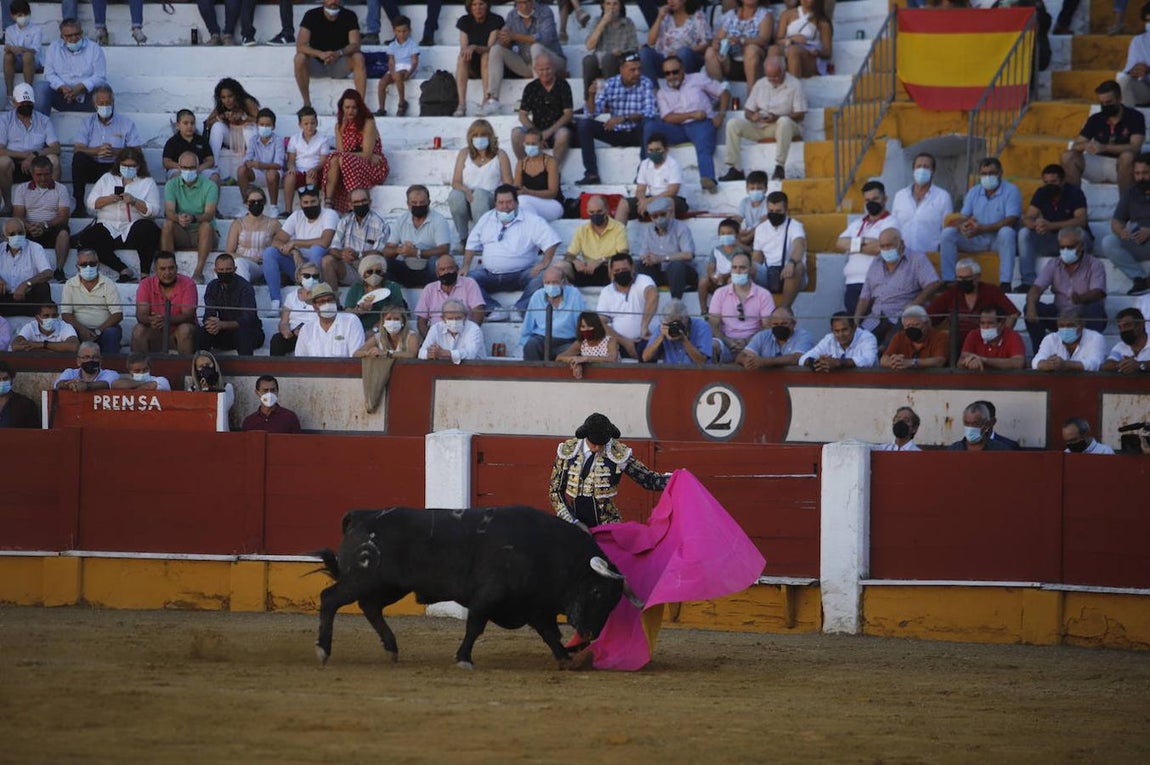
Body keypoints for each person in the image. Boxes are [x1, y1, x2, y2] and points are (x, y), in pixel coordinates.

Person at [548, 412, 669, 529]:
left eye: (602, 444)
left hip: (608, 526)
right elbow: (555, 491)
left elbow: (648, 479)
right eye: (594, 443)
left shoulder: (617, 453)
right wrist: (573, 522)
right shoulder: (568, 451)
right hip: (575, 524)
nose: (598, 448)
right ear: (585, 437)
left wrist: (675, 478)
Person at [462, 184, 561, 321]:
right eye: (501, 202)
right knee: (465, 280)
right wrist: (466, 265)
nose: (505, 206)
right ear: (495, 204)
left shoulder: (531, 219)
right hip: (490, 274)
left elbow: (552, 240)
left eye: (509, 202)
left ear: (516, 202)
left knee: (544, 276)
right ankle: (492, 309)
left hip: (522, 274)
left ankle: (519, 310)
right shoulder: (486, 218)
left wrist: (545, 262)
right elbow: (471, 243)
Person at [75, 147, 161, 284]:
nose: (128, 168)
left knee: (148, 229)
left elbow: (154, 210)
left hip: (133, 227)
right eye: (125, 165)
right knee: (88, 238)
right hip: (109, 226)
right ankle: (122, 269)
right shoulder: (107, 178)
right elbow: (91, 202)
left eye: (132, 166)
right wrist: (109, 199)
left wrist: (135, 201)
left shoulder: (147, 182)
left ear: (139, 166)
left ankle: (144, 273)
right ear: (119, 164)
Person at [643, 58, 730, 193]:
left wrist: (721, 115)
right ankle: (644, 172)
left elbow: (723, 93)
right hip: (677, 128)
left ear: (682, 70)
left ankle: (708, 179)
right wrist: (691, 115)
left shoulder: (698, 79)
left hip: (701, 124)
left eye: (675, 72)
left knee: (703, 143)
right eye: (667, 73)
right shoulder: (662, 92)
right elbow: (667, 117)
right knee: (650, 126)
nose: (671, 76)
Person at [575, 51, 658, 186]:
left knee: (649, 124)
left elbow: (650, 112)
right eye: (632, 69)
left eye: (639, 69)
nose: (637, 73)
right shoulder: (611, 84)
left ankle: (643, 173)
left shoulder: (645, 82)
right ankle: (591, 174)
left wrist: (624, 118)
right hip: (616, 131)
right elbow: (591, 113)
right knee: (585, 124)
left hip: (636, 132)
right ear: (622, 69)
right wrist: (591, 96)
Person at [940, 157, 1021, 292]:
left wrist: (982, 228)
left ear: (1001, 173)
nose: (987, 177)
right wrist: (962, 226)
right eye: (984, 174)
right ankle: (949, 280)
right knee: (948, 233)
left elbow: (1011, 220)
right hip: (977, 238)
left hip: (997, 240)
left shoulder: (1012, 190)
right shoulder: (974, 191)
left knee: (1007, 232)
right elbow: (963, 217)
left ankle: (1005, 282)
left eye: (991, 173)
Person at [720, 56, 805, 183]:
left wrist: (777, 117)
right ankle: (735, 169)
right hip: (761, 126)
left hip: (784, 126)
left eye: (776, 77)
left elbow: (800, 113)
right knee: (733, 123)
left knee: (784, 122)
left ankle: (780, 167)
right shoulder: (760, 83)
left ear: (783, 71)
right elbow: (748, 111)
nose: (772, 81)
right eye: (769, 78)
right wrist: (753, 116)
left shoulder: (794, 84)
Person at [1024, 226, 1107, 350]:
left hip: (1083, 314)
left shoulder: (1095, 264)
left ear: (1080, 246)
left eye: (1070, 247)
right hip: (1059, 314)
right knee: (1031, 308)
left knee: (1095, 310)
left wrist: (1081, 298)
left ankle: (1089, 353)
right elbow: (1037, 287)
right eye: (1062, 247)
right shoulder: (1053, 264)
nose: (1065, 250)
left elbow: (1098, 292)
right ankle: (1040, 353)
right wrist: (1031, 305)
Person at [854, 228, 941, 340]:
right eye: (882, 246)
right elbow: (864, 297)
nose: (886, 249)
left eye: (889, 245)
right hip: (875, 318)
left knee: (891, 344)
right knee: (857, 342)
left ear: (902, 244)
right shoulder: (876, 262)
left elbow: (933, 283)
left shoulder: (917, 259)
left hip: (901, 317)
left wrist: (914, 303)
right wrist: (855, 321)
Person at [262, 184, 339, 311]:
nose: (309, 205)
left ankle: (317, 295)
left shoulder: (329, 214)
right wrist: (294, 251)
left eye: (313, 201)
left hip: (320, 269)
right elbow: (277, 240)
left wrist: (295, 242)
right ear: (301, 204)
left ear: (319, 200)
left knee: (316, 249)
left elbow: (325, 241)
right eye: (306, 202)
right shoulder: (297, 216)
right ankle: (275, 302)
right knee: (270, 253)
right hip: (299, 267)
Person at [483, 0, 566, 115]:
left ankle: (540, 98)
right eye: (520, 3)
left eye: (526, 2)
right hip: (527, 63)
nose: (523, 6)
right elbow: (506, 38)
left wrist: (514, 36)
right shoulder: (512, 15)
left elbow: (545, 38)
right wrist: (503, 37)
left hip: (553, 60)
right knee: (496, 49)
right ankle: (493, 100)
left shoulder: (545, 11)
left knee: (535, 47)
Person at [70, 84, 141, 217]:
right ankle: (79, 205)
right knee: (79, 158)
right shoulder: (88, 123)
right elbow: (77, 148)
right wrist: (96, 150)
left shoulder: (126, 123)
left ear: (113, 102)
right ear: (94, 104)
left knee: (132, 162)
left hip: (115, 167)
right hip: (93, 165)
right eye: (101, 103)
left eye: (107, 102)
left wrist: (115, 152)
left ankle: (126, 207)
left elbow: (137, 150)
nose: (105, 105)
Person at [1017, 163, 1090, 291]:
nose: (1049, 185)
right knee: (1024, 233)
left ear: (1062, 181)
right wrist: (1036, 225)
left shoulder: (1074, 193)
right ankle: (1028, 282)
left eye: (1053, 181)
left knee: (1078, 234)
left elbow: (1081, 220)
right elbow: (1028, 217)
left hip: (1072, 240)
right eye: (1046, 182)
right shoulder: (1041, 192)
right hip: (1051, 240)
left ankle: (1077, 281)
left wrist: (1051, 226)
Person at [1063, 80, 1143, 194]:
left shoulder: (1135, 117)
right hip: (1098, 163)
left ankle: (1125, 207)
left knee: (1127, 157)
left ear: (1119, 98)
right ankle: (1074, 206)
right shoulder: (1096, 119)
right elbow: (1076, 145)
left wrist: (1104, 147)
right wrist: (1086, 145)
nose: (1105, 106)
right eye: (1102, 103)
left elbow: (1135, 147)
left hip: (1123, 165)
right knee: (1068, 156)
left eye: (1109, 102)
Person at [836, 181, 898, 315]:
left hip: (876, 283)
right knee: (856, 328)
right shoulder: (857, 223)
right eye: (867, 200)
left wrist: (853, 245)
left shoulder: (891, 222)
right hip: (852, 284)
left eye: (875, 199)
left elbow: (879, 248)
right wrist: (864, 242)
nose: (871, 202)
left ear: (885, 199)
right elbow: (840, 243)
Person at [322, 89, 388, 214]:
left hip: (374, 166)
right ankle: (328, 202)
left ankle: (356, 201)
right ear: (342, 108)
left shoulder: (368, 123)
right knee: (334, 158)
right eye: (347, 107)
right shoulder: (339, 126)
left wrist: (347, 156)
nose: (350, 111)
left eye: (354, 107)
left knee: (341, 158)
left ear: (360, 108)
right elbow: (340, 152)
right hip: (348, 165)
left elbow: (367, 154)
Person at [450, 118, 513, 246]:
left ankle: (481, 239)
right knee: (455, 195)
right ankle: (464, 239)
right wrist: (466, 191)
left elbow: (508, 184)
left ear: (490, 137)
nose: (479, 138)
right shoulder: (464, 153)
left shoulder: (500, 155)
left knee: (479, 195)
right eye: (476, 135)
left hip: (490, 199)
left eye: (483, 135)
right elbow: (456, 182)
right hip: (467, 197)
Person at [294, 0, 366, 109]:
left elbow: (355, 44)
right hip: (317, 64)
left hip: (339, 63)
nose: (333, 1)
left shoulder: (349, 15)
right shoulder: (311, 15)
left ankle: (360, 106)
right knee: (299, 58)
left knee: (358, 58)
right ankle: (307, 104)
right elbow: (300, 45)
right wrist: (319, 54)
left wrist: (339, 53)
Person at [161, 151, 219, 284]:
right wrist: (178, 218)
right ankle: (167, 269)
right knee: (167, 225)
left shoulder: (210, 186)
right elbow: (169, 211)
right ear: (179, 168)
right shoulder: (171, 184)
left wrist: (193, 218)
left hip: (202, 232)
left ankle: (198, 272)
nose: (188, 171)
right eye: (185, 168)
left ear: (198, 168)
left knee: (206, 225)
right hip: (181, 230)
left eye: (192, 167)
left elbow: (209, 214)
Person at [0, 83, 61, 209]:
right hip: (14, 164)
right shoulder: (5, 120)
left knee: (54, 160)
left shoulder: (44, 120)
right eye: (22, 103)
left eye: (28, 103)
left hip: (38, 164)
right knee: (3, 162)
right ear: (14, 102)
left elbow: (56, 147)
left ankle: (51, 205)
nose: (26, 106)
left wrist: (33, 156)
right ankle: (8, 205)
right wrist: (24, 155)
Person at [926, 257, 1019, 339]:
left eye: (967, 278)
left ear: (978, 277)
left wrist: (1001, 336)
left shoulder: (991, 291)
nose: (963, 281)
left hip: (984, 343)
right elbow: (928, 317)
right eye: (959, 278)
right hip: (957, 343)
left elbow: (1013, 313)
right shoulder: (951, 293)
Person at [1100, 151, 1150, 297]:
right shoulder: (1131, 192)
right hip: (1139, 241)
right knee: (1109, 242)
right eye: (1137, 173)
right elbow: (1117, 221)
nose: (1141, 178)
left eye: (1145, 173)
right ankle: (1140, 279)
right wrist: (1121, 231)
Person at [709, 251, 774, 362]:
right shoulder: (720, 293)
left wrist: (747, 341)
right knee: (711, 346)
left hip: (754, 343)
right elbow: (713, 325)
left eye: (742, 268)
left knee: (768, 347)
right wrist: (728, 341)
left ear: (751, 270)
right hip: (726, 343)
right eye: (734, 267)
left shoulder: (764, 295)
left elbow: (767, 327)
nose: (738, 272)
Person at [13, 156, 70, 283]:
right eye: (39, 175)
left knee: (64, 233)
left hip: (51, 227)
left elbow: (63, 217)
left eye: (46, 174)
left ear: (51, 173)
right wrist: (30, 227)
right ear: (32, 174)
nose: (43, 178)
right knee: (14, 230)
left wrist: (44, 225)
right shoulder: (21, 189)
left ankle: (59, 269)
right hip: (29, 228)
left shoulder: (61, 189)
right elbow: (18, 215)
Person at [511, 54, 573, 168]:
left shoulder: (563, 85)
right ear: (535, 69)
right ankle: (525, 168)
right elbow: (522, 115)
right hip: (536, 129)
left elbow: (568, 114)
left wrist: (547, 133)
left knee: (564, 134)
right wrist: (537, 135)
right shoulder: (531, 87)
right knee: (516, 134)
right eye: (541, 70)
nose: (545, 73)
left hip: (556, 130)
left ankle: (553, 171)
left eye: (548, 69)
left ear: (553, 67)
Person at [34, 18, 106, 115]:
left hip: (88, 98)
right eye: (69, 36)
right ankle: (40, 128)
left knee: (105, 90)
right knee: (41, 87)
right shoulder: (54, 48)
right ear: (62, 36)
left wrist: (81, 87)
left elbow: (100, 76)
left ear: (82, 32)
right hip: (62, 97)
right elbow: (49, 74)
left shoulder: (94, 48)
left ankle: (106, 128)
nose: (73, 38)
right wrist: (62, 87)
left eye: (77, 34)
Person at [384, 184, 451, 287]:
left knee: (435, 261)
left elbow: (444, 249)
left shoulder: (439, 220)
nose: (418, 205)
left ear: (429, 202)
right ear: (408, 204)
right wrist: (400, 250)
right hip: (406, 268)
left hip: (429, 270)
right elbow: (387, 250)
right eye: (414, 203)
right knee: (384, 262)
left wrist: (417, 252)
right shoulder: (401, 220)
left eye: (422, 202)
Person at [131, 251, 197, 355]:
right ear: (155, 270)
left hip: (178, 334)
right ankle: (140, 369)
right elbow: (141, 315)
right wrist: (151, 319)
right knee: (138, 330)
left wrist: (165, 319)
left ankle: (186, 369)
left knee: (185, 329)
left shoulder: (188, 284)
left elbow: (188, 315)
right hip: (156, 334)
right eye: (162, 269)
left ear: (177, 268)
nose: (167, 272)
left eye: (171, 268)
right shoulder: (145, 284)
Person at [322, 187, 389, 288]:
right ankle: (333, 301)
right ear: (350, 205)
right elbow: (332, 248)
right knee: (327, 260)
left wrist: (358, 254)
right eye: (356, 202)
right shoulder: (344, 221)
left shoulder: (381, 224)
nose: (361, 204)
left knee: (375, 262)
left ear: (370, 202)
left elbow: (379, 253)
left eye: (363, 201)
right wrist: (342, 254)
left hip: (370, 270)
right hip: (349, 267)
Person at [60, 248, 123, 356]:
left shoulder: (108, 284)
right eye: (84, 264)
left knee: (112, 332)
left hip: (103, 330)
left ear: (98, 265)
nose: (88, 267)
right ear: (77, 267)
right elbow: (66, 314)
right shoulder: (70, 284)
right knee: (67, 332)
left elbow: (117, 314)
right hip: (78, 330)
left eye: (92, 263)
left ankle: (110, 367)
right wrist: (82, 330)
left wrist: (98, 331)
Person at [197, 253, 263, 355]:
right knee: (201, 332)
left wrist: (222, 325)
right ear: (215, 271)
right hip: (222, 333)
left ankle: (247, 368)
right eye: (221, 270)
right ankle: (202, 366)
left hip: (248, 333)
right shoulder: (212, 286)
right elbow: (209, 312)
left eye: (228, 270)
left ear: (235, 269)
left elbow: (248, 319)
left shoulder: (245, 287)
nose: (225, 272)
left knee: (243, 333)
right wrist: (211, 324)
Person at [890, 152, 952, 260]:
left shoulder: (943, 197)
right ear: (913, 169)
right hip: (903, 258)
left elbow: (947, 230)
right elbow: (894, 227)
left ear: (933, 171)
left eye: (926, 167)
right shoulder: (900, 196)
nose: (922, 170)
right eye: (919, 166)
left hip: (930, 258)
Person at [750, 190, 807, 307]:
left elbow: (799, 245)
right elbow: (757, 257)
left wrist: (791, 262)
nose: (774, 213)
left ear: (786, 210)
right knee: (745, 267)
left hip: (790, 272)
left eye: (778, 211)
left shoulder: (795, 225)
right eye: (771, 211)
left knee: (798, 266)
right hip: (769, 273)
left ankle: (785, 309)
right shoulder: (760, 229)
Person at [615, 132, 687, 222]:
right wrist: (642, 201)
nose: (654, 153)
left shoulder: (673, 165)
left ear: (666, 150)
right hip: (651, 198)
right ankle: (617, 236)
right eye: (651, 150)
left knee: (667, 202)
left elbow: (672, 191)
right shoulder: (645, 164)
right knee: (624, 204)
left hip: (675, 200)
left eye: (657, 150)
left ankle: (669, 235)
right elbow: (640, 189)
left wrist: (649, 201)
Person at [596, 253, 657, 358]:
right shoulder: (607, 291)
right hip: (619, 343)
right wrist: (625, 342)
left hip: (647, 340)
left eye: (624, 270)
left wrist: (644, 326)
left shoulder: (643, 280)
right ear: (611, 272)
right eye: (617, 271)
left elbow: (653, 295)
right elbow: (601, 322)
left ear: (633, 268)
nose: (621, 273)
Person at [560, 195, 629, 287]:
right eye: (592, 212)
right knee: (560, 266)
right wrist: (575, 261)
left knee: (618, 266)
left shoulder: (619, 228)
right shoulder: (582, 230)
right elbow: (568, 255)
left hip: (607, 270)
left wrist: (601, 261)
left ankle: (615, 294)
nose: (595, 215)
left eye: (599, 211)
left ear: (607, 210)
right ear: (587, 211)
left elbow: (623, 254)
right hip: (586, 270)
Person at [635, 195, 696, 299]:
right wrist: (647, 258)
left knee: (677, 265)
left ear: (670, 212)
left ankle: (676, 301)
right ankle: (642, 298)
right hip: (659, 272)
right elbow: (642, 254)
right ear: (650, 217)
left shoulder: (681, 228)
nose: (659, 219)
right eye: (655, 216)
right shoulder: (648, 231)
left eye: (662, 214)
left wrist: (662, 258)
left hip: (681, 273)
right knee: (638, 265)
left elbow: (689, 254)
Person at [520, 266, 584, 361]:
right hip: (542, 339)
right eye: (547, 283)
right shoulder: (537, 296)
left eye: (555, 282)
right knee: (531, 345)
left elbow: (580, 323)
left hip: (566, 341)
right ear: (543, 282)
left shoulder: (574, 294)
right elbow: (527, 326)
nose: (551, 286)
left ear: (563, 282)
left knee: (576, 353)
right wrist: (525, 342)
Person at [582, 0, 639, 104]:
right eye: (608, 4)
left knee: (608, 59)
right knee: (588, 60)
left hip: (620, 61)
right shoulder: (597, 21)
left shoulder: (628, 23)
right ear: (603, 6)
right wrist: (603, 23)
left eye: (615, 4)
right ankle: (588, 101)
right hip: (599, 62)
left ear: (620, 6)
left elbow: (634, 48)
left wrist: (622, 52)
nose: (611, 7)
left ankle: (612, 101)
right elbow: (589, 46)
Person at [453, 0, 504, 118]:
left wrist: (474, 47)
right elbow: (464, 48)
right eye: (474, 5)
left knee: (486, 56)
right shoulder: (465, 21)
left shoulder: (495, 20)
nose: (477, 8)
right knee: (462, 58)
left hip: (491, 66)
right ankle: (461, 104)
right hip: (472, 65)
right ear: (470, 7)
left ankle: (486, 100)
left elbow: (490, 48)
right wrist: (469, 49)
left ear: (487, 5)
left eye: (481, 4)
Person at [640, 0, 710, 84]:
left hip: (688, 59)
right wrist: (659, 18)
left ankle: (684, 88)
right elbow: (651, 42)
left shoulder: (697, 15)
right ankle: (653, 92)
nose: (671, 1)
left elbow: (707, 43)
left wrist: (680, 52)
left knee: (683, 53)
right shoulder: (666, 17)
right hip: (666, 61)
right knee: (644, 53)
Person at [415, 254, 487, 337]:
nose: (446, 272)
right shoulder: (429, 289)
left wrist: (470, 335)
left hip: (464, 336)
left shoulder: (469, 284)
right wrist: (430, 339)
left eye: (450, 268)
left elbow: (478, 311)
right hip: (437, 338)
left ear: (457, 269)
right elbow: (421, 320)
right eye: (442, 269)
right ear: (437, 273)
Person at [204, 78, 260, 184]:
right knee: (217, 126)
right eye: (223, 97)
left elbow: (262, 120)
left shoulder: (247, 102)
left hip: (247, 139)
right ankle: (213, 165)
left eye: (230, 96)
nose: (227, 100)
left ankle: (252, 164)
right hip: (231, 138)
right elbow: (208, 122)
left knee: (248, 130)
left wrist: (243, 118)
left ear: (237, 95)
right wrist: (221, 117)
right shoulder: (221, 106)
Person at [705, 0, 773, 87]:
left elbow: (764, 40)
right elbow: (719, 38)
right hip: (730, 62)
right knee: (710, 52)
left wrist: (741, 40)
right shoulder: (731, 15)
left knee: (751, 50)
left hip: (755, 62)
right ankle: (719, 93)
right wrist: (717, 43)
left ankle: (751, 96)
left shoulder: (765, 14)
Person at [225, 187, 280, 286]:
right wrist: (250, 259)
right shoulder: (238, 224)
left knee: (239, 265)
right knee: (238, 264)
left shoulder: (273, 224)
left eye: (259, 201)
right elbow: (229, 252)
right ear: (246, 203)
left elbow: (284, 243)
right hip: (242, 263)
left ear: (264, 203)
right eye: (252, 201)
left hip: (263, 265)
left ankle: (244, 295)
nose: (256, 204)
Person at [284, 106, 332, 217]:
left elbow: (323, 161)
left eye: (312, 123)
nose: (309, 126)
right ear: (300, 125)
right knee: (289, 176)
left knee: (311, 176)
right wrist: (291, 167)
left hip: (315, 170)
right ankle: (287, 210)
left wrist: (315, 169)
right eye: (306, 124)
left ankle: (312, 209)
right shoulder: (294, 139)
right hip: (299, 170)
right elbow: (291, 160)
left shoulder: (322, 140)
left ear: (317, 123)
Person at [295, 281, 365, 358]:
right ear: (314, 306)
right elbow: (300, 360)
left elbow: (356, 357)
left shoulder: (351, 321)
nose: (327, 304)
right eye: (322, 301)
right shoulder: (306, 330)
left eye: (330, 300)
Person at [343, 254, 407, 335]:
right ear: (363, 273)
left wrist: (374, 330)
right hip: (358, 330)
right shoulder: (357, 287)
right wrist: (359, 310)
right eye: (369, 272)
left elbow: (397, 311)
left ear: (383, 273)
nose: (374, 275)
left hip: (386, 331)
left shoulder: (392, 287)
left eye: (378, 272)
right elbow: (348, 312)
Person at [0, 217, 51, 316]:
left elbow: (48, 273)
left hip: (29, 298)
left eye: (20, 233)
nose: (17, 236)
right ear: (4, 237)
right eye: (12, 234)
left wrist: (26, 284)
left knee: (43, 287)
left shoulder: (35, 248)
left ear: (25, 232)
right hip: (5, 298)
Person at [239, 109, 285, 218]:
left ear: (273, 126)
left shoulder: (278, 140)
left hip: (275, 175)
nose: (264, 127)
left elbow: (279, 164)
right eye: (262, 124)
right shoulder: (253, 140)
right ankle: (246, 204)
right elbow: (247, 157)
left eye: (268, 125)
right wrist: (248, 163)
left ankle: (273, 207)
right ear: (257, 125)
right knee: (241, 170)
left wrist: (261, 165)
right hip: (258, 173)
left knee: (271, 173)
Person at [1031, 308, 1107, 372]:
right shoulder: (1051, 339)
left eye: (1070, 325)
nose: (1065, 329)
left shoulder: (1096, 338)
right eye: (1061, 326)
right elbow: (1036, 361)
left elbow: (1096, 363)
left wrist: (1066, 365)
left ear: (1081, 325)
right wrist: (1046, 364)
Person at [737, 305, 812, 369]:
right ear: (770, 324)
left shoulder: (803, 336)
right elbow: (741, 356)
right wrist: (746, 361)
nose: (779, 327)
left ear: (793, 323)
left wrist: (764, 362)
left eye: (784, 324)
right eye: (775, 324)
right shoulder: (763, 336)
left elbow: (797, 358)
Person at [270, 262, 321, 357]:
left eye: (315, 276)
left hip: (315, 334)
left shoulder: (323, 296)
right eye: (307, 276)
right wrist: (285, 330)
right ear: (298, 277)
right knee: (277, 339)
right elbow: (284, 322)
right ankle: (275, 370)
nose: (311, 279)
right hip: (295, 334)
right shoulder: (291, 297)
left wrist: (305, 330)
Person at [772, 0, 832, 79]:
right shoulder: (787, 14)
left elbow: (828, 52)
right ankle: (772, 85)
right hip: (788, 49)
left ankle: (794, 88)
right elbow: (777, 40)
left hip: (810, 59)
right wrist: (791, 40)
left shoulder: (822, 21)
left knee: (793, 50)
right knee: (773, 50)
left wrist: (817, 52)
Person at [514, 128, 564, 222]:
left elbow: (553, 193)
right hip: (528, 203)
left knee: (523, 201)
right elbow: (517, 189)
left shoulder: (550, 162)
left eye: (534, 144)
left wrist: (529, 192)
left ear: (541, 144)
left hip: (553, 203)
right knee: (521, 203)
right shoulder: (521, 163)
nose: (530, 147)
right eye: (527, 144)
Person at [799, 312, 879, 372]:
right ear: (832, 330)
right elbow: (803, 359)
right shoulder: (829, 339)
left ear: (854, 328)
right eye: (836, 331)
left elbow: (868, 360)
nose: (841, 335)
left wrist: (839, 362)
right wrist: (817, 363)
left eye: (844, 330)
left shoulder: (867, 337)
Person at [642, 298, 711, 365]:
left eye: (676, 323)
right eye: (670, 324)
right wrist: (661, 336)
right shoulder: (663, 327)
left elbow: (702, 361)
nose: (673, 327)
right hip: (670, 373)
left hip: (696, 373)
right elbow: (645, 357)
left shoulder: (701, 327)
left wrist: (684, 340)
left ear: (686, 318)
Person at [880, 304, 949, 370]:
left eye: (916, 325)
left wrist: (912, 362)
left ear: (926, 323)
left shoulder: (940, 336)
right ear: (903, 327)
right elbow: (883, 360)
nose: (912, 328)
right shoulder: (899, 337)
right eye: (908, 326)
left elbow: (939, 361)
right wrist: (895, 362)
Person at [957, 306, 1026, 371]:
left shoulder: (1013, 336)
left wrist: (984, 360)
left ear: (1001, 324)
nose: (986, 326)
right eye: (982, 323)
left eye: (990, 323)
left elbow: (1018, 363)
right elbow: (960, 362)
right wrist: (970, 362)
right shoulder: (973, 335)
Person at [375, 15, 419, 117]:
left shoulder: (412, 44)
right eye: (398, 31)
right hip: (395, 68)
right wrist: (392, 71)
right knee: (382, 82)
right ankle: (381, 108)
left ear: (409, 31)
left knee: (398, 76)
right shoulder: (392, 45)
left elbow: (415, 61)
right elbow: (391, 61)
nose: (401, 34)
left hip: (408, 68)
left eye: (404, 31)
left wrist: (410, 72)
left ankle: (402, 102)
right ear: (394, 31)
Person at [699, 217, 744, 316]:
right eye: (722, 233)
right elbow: (710, 267)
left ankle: (736, 308)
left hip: (730, 279)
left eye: (729, 233)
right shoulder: (715, 250)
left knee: (732, 281)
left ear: (736, 235)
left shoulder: (739, 251)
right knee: (703, 281)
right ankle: (704, 310)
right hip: (717, 281)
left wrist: (724, 276)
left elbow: (738, 268)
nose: (725, 236)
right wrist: (712, 276)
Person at [161, 108, 219, 185]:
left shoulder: (201, 140)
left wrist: (199, 168)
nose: (189, 126)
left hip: (199, 170)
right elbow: (166, 161)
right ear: (178, 125)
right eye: (185, 123)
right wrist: (183, 168)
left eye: (192, 123)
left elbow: (210, 160)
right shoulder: (172, 142)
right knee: (176, 176)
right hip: (179, 170)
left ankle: (211, 197)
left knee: (215, 177)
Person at [418, 298, 485, 362]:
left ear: (465, 317)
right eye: (450, 318)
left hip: (473, 370)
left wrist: (446, 354)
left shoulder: (473, 329)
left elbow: (471, 354)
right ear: (443, 318)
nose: (454, 322)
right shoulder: (436, 328)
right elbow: (421, 353)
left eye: (458, 318)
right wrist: (430, 354)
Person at [556, 310, 619, 378]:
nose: (586, 329)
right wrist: (576, 362)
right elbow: (559, 357)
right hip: (591, 379)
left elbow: (611, 359)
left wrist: (585, 359)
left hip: (612, 377)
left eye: (590, 326)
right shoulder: (581, 343)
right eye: (583, 326)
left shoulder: (610, 340)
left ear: (596, 326)